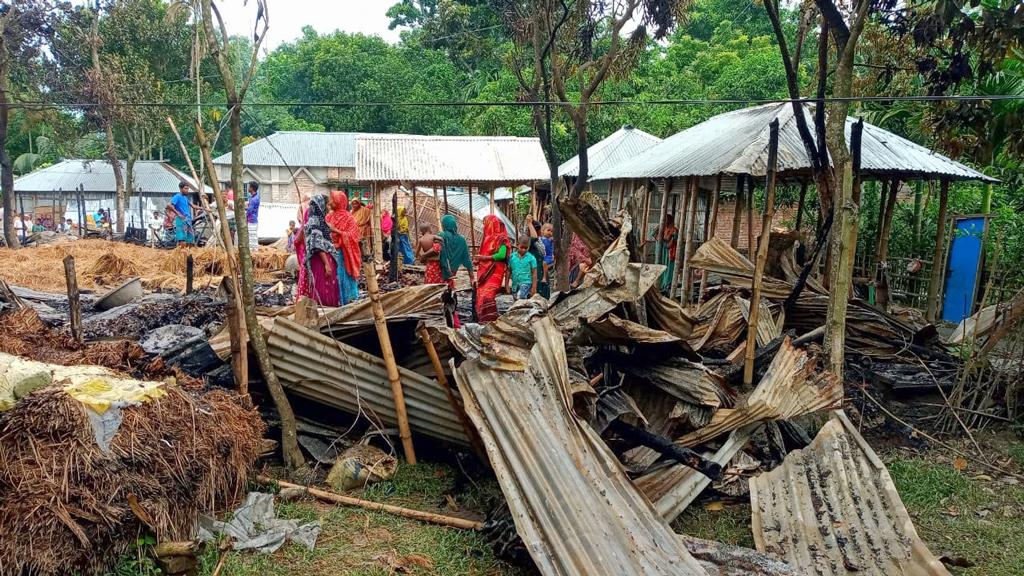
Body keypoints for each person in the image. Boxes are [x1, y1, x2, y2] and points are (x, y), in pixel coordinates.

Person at [299, 193, 339, 306]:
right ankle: (324, 311)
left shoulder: (319, 219)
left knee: (325, 286)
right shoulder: (315, 220)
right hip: (320, 261)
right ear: (321, 205)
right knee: (323, 287)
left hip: (322, 259)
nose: (328, 207)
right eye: (327, 205)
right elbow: (317, 244)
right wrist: (326, 264)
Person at [438, 214, 475, 327]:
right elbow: (468, 261)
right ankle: (454, 322)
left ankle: (444, 322)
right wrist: (472, 277)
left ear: (444, 225)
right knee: (450, 296)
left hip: (440, 273)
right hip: (452, 274)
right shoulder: (462, 240)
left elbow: (434, 251)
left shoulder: (441, 236)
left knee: (439, 298)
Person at [326, 190, 361, 305]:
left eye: (332, 199)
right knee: (332, 276)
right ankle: (334, 301)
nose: (330, 202)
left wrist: (336, 231)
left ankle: (348, 300)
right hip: (329, 252)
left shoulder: (348, 217)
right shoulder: (329, 216)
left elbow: (354, 235)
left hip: (343, 254)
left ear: (338, 201)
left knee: (343, 276)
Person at [473, 215, 511, 322]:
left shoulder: (501, 238)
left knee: (488, 295)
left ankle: (490, 320)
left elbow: (501, 255)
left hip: (495, 271)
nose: (484, 226)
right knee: (482, 295)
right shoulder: (486, 239)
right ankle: (486, 320)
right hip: (485, 272)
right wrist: (479, 260)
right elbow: (484, 255)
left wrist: (484, 258)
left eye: (485, 223)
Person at [509, 235, 538, 300]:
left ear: (529, 247)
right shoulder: (512, 257)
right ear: (517, 245)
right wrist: (506, 285)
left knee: (521, 296)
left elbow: (534, 273)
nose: (523, 250)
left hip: (526, 282)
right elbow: (508, 270)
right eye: (522, 247)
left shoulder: (531, 258)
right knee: (515, 299)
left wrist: (534, 287)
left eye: (526, 248)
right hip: (515, 284)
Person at [293, 193, 311, 299]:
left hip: (303, 228)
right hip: (305, 229)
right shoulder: (310, 207)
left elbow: (300, 219)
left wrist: (303, 224)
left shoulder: (301, 206)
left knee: (305, 266)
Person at [656, 213, 679, 292]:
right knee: (661, 269)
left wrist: (667, 241)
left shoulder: (674, 230)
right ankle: (661, 285)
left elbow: (671, 243)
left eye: (665, 219)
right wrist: (659, 226)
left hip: (670, 253)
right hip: (662, 252)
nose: (664, 221)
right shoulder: (662, 229)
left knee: (669, 269)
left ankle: (667, 286)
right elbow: (654, 234)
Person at [170, 182, 194, 247]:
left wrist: (205, 208)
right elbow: (170, 206)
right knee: (182, 239)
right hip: (181, 219)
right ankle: (181, 255)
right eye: (185, 188)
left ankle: (188, 254)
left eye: (188, 189)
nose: (187, 190)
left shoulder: (185, 198)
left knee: (190, 239)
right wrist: (178, 214)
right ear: (180, 188)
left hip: (188, 219)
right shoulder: (177, 196)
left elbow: (194, 206)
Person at [245, 181, 261, 252]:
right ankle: (253, 250)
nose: (248, 188)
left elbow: (249, 211)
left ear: (252, 188)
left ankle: (254, 251)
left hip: (252, 220)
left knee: (252, 237)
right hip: (252, 220)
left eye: (249, 187)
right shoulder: (253, 197)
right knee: (251, 236)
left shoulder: (254, 199)